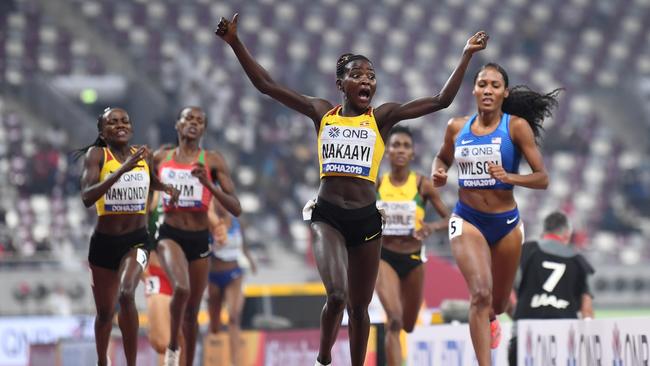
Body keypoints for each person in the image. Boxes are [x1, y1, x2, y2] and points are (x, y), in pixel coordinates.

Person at [215, 13, 487, 366]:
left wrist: (465, 54)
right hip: (327, 216)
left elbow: (440, 100)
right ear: (340, 83)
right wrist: (235, 42)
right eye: (357, 75)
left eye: (372, 76)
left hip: (367, 221)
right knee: (338, 296)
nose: (366, 81)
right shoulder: (321, 113)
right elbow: (266, 85)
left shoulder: (382, 117)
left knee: (361, 309)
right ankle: (324, 358)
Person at [432, 63, 561, 365]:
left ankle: (491, 318)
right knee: (479, 294)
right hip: (467, 219)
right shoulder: (456, 126)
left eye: (494, 85)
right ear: (474, 89)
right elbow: (442, 157)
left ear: (504, 92)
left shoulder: (515, 127)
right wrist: (438, 170)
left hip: (506, 224)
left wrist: (509, 177)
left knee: (498, 304)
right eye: (482, 84)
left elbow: (543, 178)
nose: (487, 90)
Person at [77, 107, 178, 366]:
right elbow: (87, 197)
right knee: (104, 314)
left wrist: (165, 187)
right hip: (104, 244)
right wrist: (121, 170)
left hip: (136, 240)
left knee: (127, 292)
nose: (120, 125)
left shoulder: (142, 155)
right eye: (112, 122)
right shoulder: (97, 155)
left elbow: (149, 180)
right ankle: (103, 361)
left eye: (124, 121)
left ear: (131, 128)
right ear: (102, 131)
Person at [153, 106, 241, 366]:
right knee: (181, 288)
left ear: (203, 129)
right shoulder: (161, 157)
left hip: (200, 239)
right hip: (170, 234)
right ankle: (172, 346)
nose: (193, 123)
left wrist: (208, 185)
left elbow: (236, 206)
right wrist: (164, 187)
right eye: (188, 118)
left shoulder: (212, 160)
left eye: (199, 121)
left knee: (192, 312)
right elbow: (146, 185)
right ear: (178, 125)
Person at [375, 126, 450, 366]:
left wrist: (430, 227)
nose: (400, 150)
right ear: (387, 152)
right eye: (395, 145)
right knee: (394, 321)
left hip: (414, 258)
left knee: (408, 324)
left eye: (406, 146)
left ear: (412, 154)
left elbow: (450, 218)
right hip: (384, 256)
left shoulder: (422, 185)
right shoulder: (376, 185)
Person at [507, 211, 595, 365]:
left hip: (525, 334)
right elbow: (586, 308)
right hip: (565, 337)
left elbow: (505, 289)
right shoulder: (578, 260)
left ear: (543, 232)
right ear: (567, 234)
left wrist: (515, 314)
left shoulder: (525, 250)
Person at [206, 198, 257, 366]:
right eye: (218, 201)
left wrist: (250, 260)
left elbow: (244, 245)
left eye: (224, 200)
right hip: (213, 276)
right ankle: (213, 357)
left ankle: (236, 362)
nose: (222, 204)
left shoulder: (236, 221)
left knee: (234, 317)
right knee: (214, 325)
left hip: (234, 274)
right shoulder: (209, 222)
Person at [143, 190, 185, 366]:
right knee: (163, 342)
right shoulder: (152, 195)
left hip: (184, 278)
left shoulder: (192, 192)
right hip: (157, 275)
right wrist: (145, 275)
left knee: (182, 341)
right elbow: (135, 236)